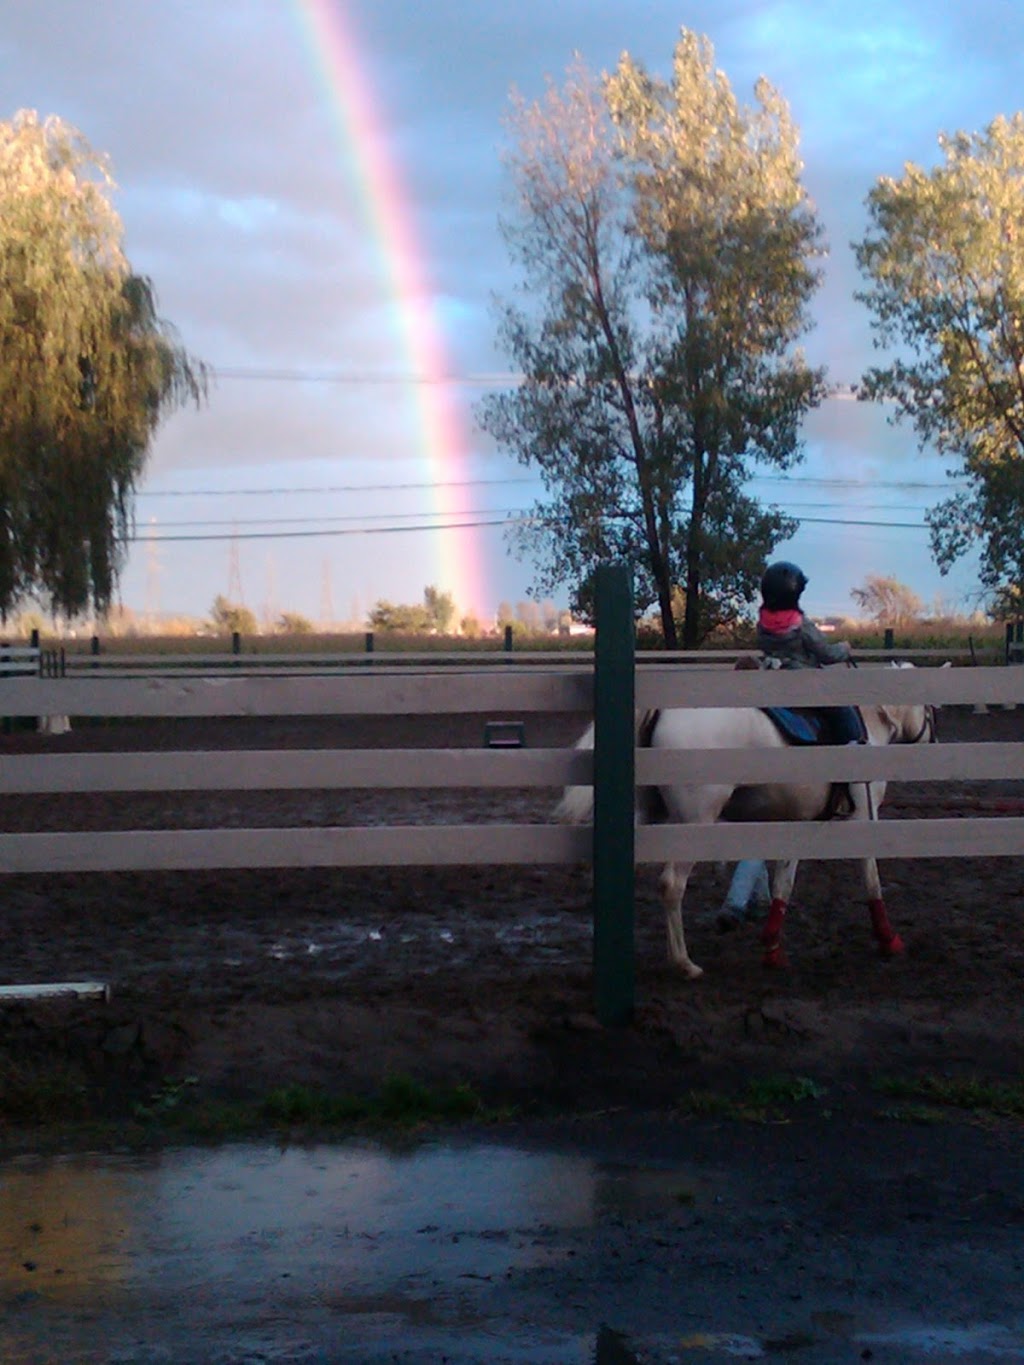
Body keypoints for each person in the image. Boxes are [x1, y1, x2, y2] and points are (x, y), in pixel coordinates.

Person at [756, 560, 864, 744]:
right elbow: (826, 654)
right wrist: (844, 649)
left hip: (773, 678)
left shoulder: (763, 624)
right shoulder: (800, 624)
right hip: (803, 681)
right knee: (843, 709)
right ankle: (853, 746)